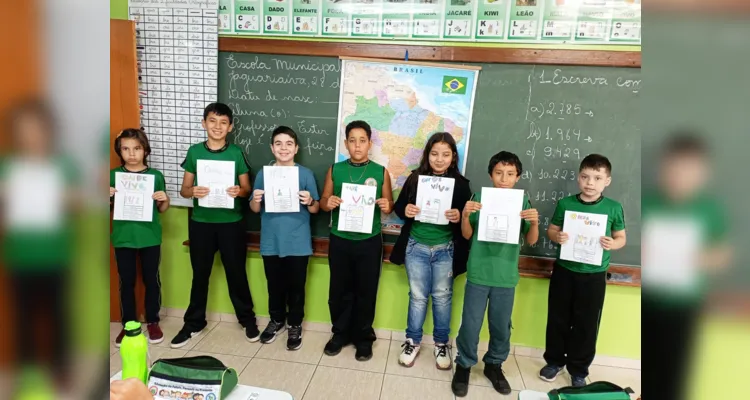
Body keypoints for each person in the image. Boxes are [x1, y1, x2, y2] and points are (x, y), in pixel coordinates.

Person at [642, 133, 730, 400]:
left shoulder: (710, 209)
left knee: (675, 375)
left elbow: (722, 254)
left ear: (704, 173)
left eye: (690, 170)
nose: (680, 176)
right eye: (675, 168)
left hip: (684, 306)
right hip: (648, 301)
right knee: (649, 370)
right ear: (663, 168)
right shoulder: (648, 202)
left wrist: (702, 259)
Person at [451, 151, 539, 396]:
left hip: (505, 276)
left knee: (501, 326)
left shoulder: (523, 202)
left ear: (517, 177)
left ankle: (494, 365)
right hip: (479, 272)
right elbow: (467, 234)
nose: (504, 178)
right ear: (491, 174)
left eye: (510, 174)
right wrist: (466, 215)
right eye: (499, 173)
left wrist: (535, 222)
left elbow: (531, 240)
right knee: (470, 324)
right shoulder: (480, 197)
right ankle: (464, 365)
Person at [171, 102, 258, 348]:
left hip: (232, 224)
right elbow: (184, 190)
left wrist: (238, 191)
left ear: (230, 127)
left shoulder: (237, 153)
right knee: (200, 275)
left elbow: (247, 189)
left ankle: (247, 320)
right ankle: (194, 323)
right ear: (204, 123)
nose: (217, 126)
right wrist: (193, 191)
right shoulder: (195, 152)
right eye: (212, 121)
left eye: (223, 122)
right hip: (201, 224)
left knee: (236, 274)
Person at [539, 154, 627, 387]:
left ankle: (579, 369)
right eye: (585, 177)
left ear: (607, 181)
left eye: (597, 178)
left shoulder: (613, 208)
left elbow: (621, 238)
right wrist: (557, 236)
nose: (590, 183)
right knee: (558, 318)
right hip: (565, 270)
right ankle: (554, 361)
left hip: (594, 274)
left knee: (586, 324)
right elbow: (551, 230)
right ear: (578, 178)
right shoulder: (566, 204)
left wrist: (612, 243)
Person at [389, 132, 472, 370]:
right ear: (427, 155)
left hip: (446, 250)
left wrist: (459, 216)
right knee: (417, 297)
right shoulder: (416, 178)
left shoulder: (461, 184)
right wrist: (408, 210)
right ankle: (412, 340)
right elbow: (399, 207)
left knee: (443, 298)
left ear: (453, 157)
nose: (439, 159)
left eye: (445, 155)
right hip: (416, 246)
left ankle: (441, 343)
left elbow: (468, 219)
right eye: (434, 154)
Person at [319, 120, 393, 361]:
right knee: (339, 290)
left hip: (369, 241)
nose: (357, 145)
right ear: (346, 144)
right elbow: (323, 200)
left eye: (362, 140)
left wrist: (386, 205)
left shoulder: (380, 172)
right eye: (352, 140)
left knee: (366, 290)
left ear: (370, 144)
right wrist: (327, 203)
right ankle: (339, 333)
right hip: (340, 239)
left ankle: (363, 337)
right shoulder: (335, 169)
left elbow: (389, 205)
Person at [250, 126, 320, 350]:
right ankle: (277, 319)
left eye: (289, 143)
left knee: (297, 287)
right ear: (272, 148)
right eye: (278, 143)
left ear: (296, 148)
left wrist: (309, 201)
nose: (283, 148)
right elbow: (253, 208)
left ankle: (295, 324)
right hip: (271, 241)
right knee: (275, 285)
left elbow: (316, 209)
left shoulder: (306, 174)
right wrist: (257, 199)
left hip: (298, 242)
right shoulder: (264, 174)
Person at [110, 128, 170, 346]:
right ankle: (129, 324)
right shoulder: (113, 176)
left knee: (151, 280)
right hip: (123, 237)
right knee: (126, 282)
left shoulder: (155, 176)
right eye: (126, 149)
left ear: (145, 150)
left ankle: (153, 321)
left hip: (149, 237)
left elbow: (162, 208)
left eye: (136, 148)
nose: (132, 153)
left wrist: (164, 199)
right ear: (120, 151)